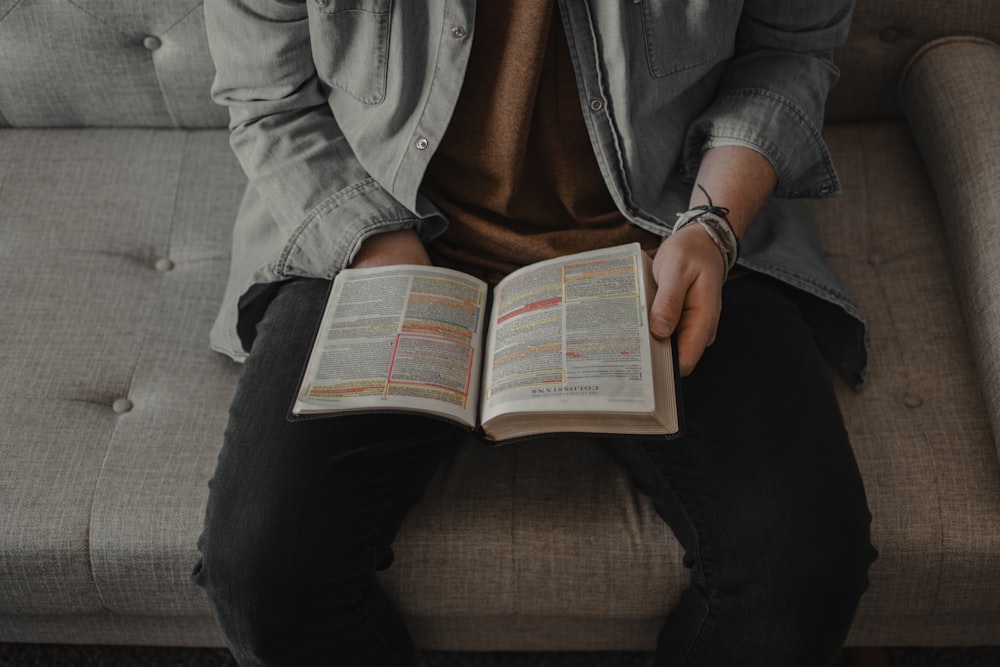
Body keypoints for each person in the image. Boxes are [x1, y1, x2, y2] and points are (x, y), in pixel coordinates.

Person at [193, 1, 878, 665]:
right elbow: (267, 94)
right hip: (376, 227)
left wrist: (713, 223)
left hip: (668, 233)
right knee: (264, 572)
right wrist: (373, 246)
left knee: (802, 567)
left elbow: (787, 51)